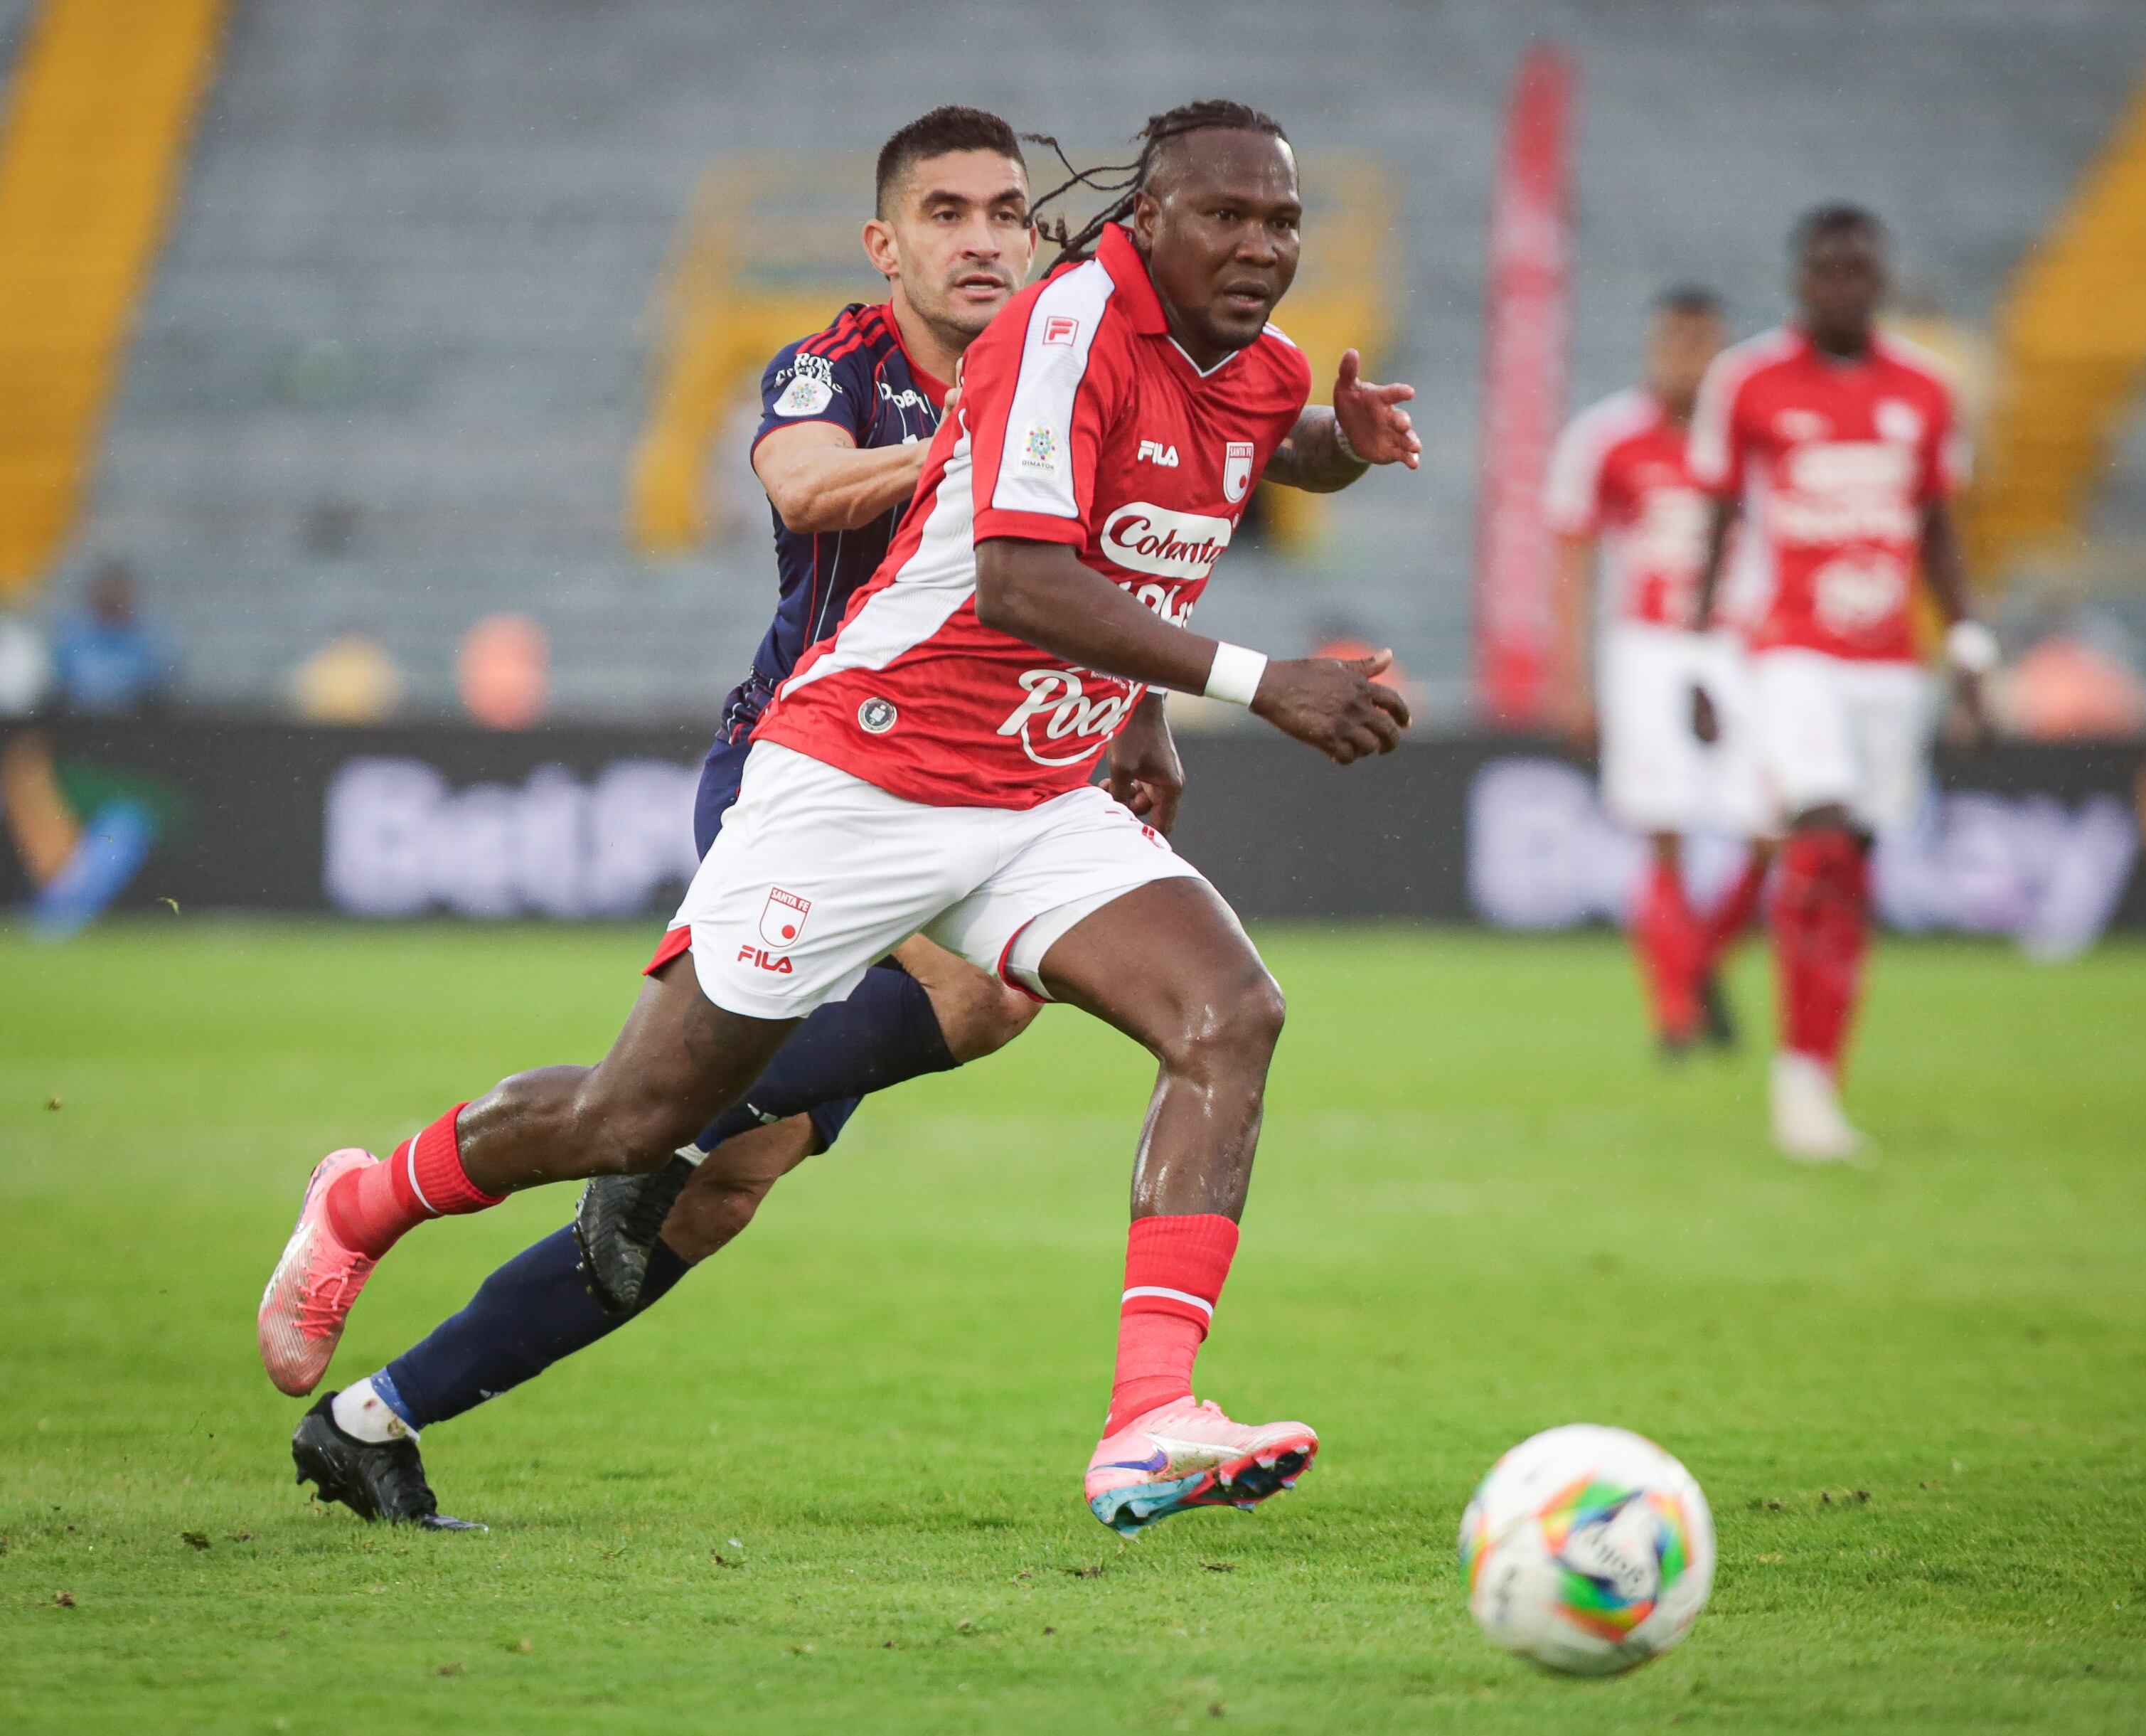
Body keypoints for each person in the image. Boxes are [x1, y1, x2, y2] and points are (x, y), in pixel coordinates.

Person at [260, 99, 1423, 1540]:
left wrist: (1339, 444)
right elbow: (1015, 578)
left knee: (1227, 1010)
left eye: (1283, 221)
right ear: (1143, 219)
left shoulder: (1248, 360)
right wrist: (1259, 681)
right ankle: (372, 1198)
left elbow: (1245, 450)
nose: (1261, 245)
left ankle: (1148, 1420)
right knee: (636, 1117)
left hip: (1029, 790)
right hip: (860, 778)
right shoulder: (1044, 336)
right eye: (1227, 216)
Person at [277, 105, 1053, 1529]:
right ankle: (378, 1193)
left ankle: (370, 1419)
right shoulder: (836, 365)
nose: (982, 238)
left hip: (957, 787)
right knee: (978, 992)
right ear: (885, 244)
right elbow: (804, 484)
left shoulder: (1062, 371)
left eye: (1006, 211)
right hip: (801, 778)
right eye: (945, 212)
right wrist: (968, 451)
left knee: (723, 1184)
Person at [1688, 205, 1990, 1163]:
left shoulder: (1926, 390)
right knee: (1815, 839)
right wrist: (1702, 660)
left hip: (1891, 666)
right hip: (1790, 650)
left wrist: (1968, 647)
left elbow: (1937, 527)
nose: (1843, 287)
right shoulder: (1748, 381)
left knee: (1853, 867)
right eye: (1827, 271)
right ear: (1800, 281)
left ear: (1880, 280)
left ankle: (1818, 1069)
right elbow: (1717, 522)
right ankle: (1797, 1087)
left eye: (1859, 271)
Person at [1545, 286, 1766, 1055]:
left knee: (1770, 828)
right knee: (1663, 828)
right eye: (1677, 344)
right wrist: (1573, 677)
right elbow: (1572, 561)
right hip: (1646, 648)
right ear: (1653, 348)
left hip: (1741, 646)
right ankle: (1674, 1016)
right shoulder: (1606, 439)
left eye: (1704, 346)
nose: (1690, 363)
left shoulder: (1753, 441)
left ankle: (1699, 962)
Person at [52, 559, 174, 714]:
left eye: (118, 590)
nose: (112, 597)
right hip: (76, 720)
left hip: (138, 721)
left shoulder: (152, 640)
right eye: (106, 589)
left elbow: (157, 687)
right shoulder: (71, 636)